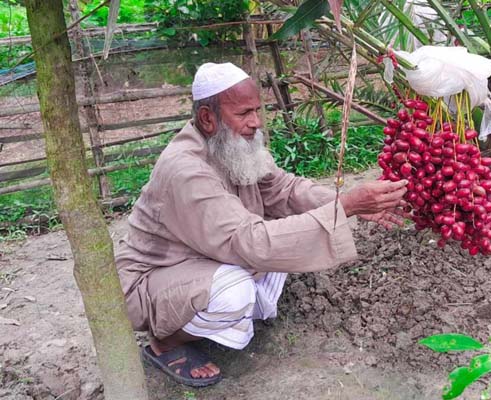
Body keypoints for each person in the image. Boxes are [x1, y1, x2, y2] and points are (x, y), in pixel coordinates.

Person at [115, 62, 408, 387]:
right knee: (235, 290)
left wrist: (348, 205)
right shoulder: (185, 169)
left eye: (258, 110)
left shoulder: (231, 147)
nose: (256, 123)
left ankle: (214, 318)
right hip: (153, 281)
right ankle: (166, 341)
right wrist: (346, 207)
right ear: (207, 118)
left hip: (201, 259)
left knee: (282, 230)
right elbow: (248, 241)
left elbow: (284, 190)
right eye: (243, 113)